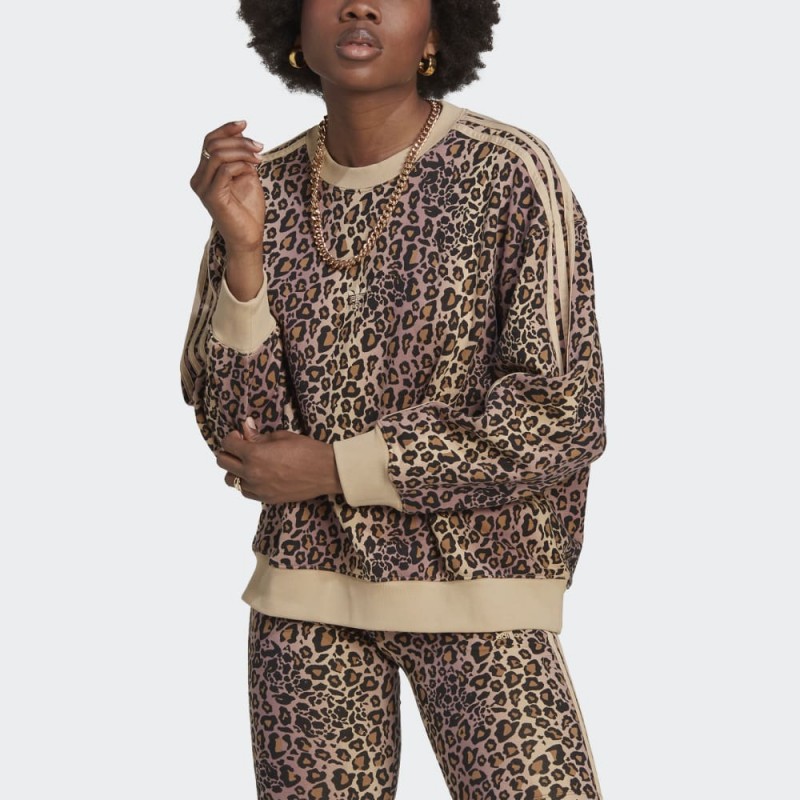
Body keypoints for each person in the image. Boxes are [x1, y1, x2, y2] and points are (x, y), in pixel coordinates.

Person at [181, 1, 607, 797]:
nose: (360, 4)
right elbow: (241, 437)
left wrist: (337, 468)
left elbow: (559, 416)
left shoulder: (508, 173)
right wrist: (244, 252)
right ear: (293, 28)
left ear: (439, 31)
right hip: (306, 599)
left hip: (481, 593)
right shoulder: (262, 189)